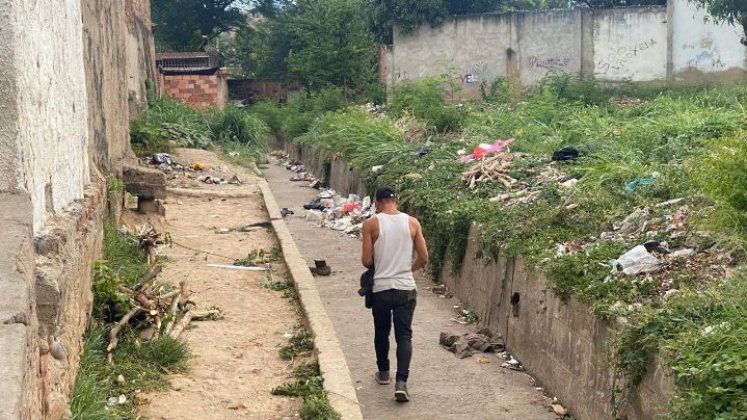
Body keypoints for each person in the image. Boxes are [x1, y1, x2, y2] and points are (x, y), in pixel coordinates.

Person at [361, 186, 429, 402]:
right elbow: (423, 257)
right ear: (396, 201)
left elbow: (366, 261)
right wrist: (409, 270)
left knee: (381, 332)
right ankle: (401, 382)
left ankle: (383, 373)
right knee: (404, 336)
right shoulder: (412, 222)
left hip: (381, 289)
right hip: (405, 288)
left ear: (377, 202)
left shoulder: (371, 224)